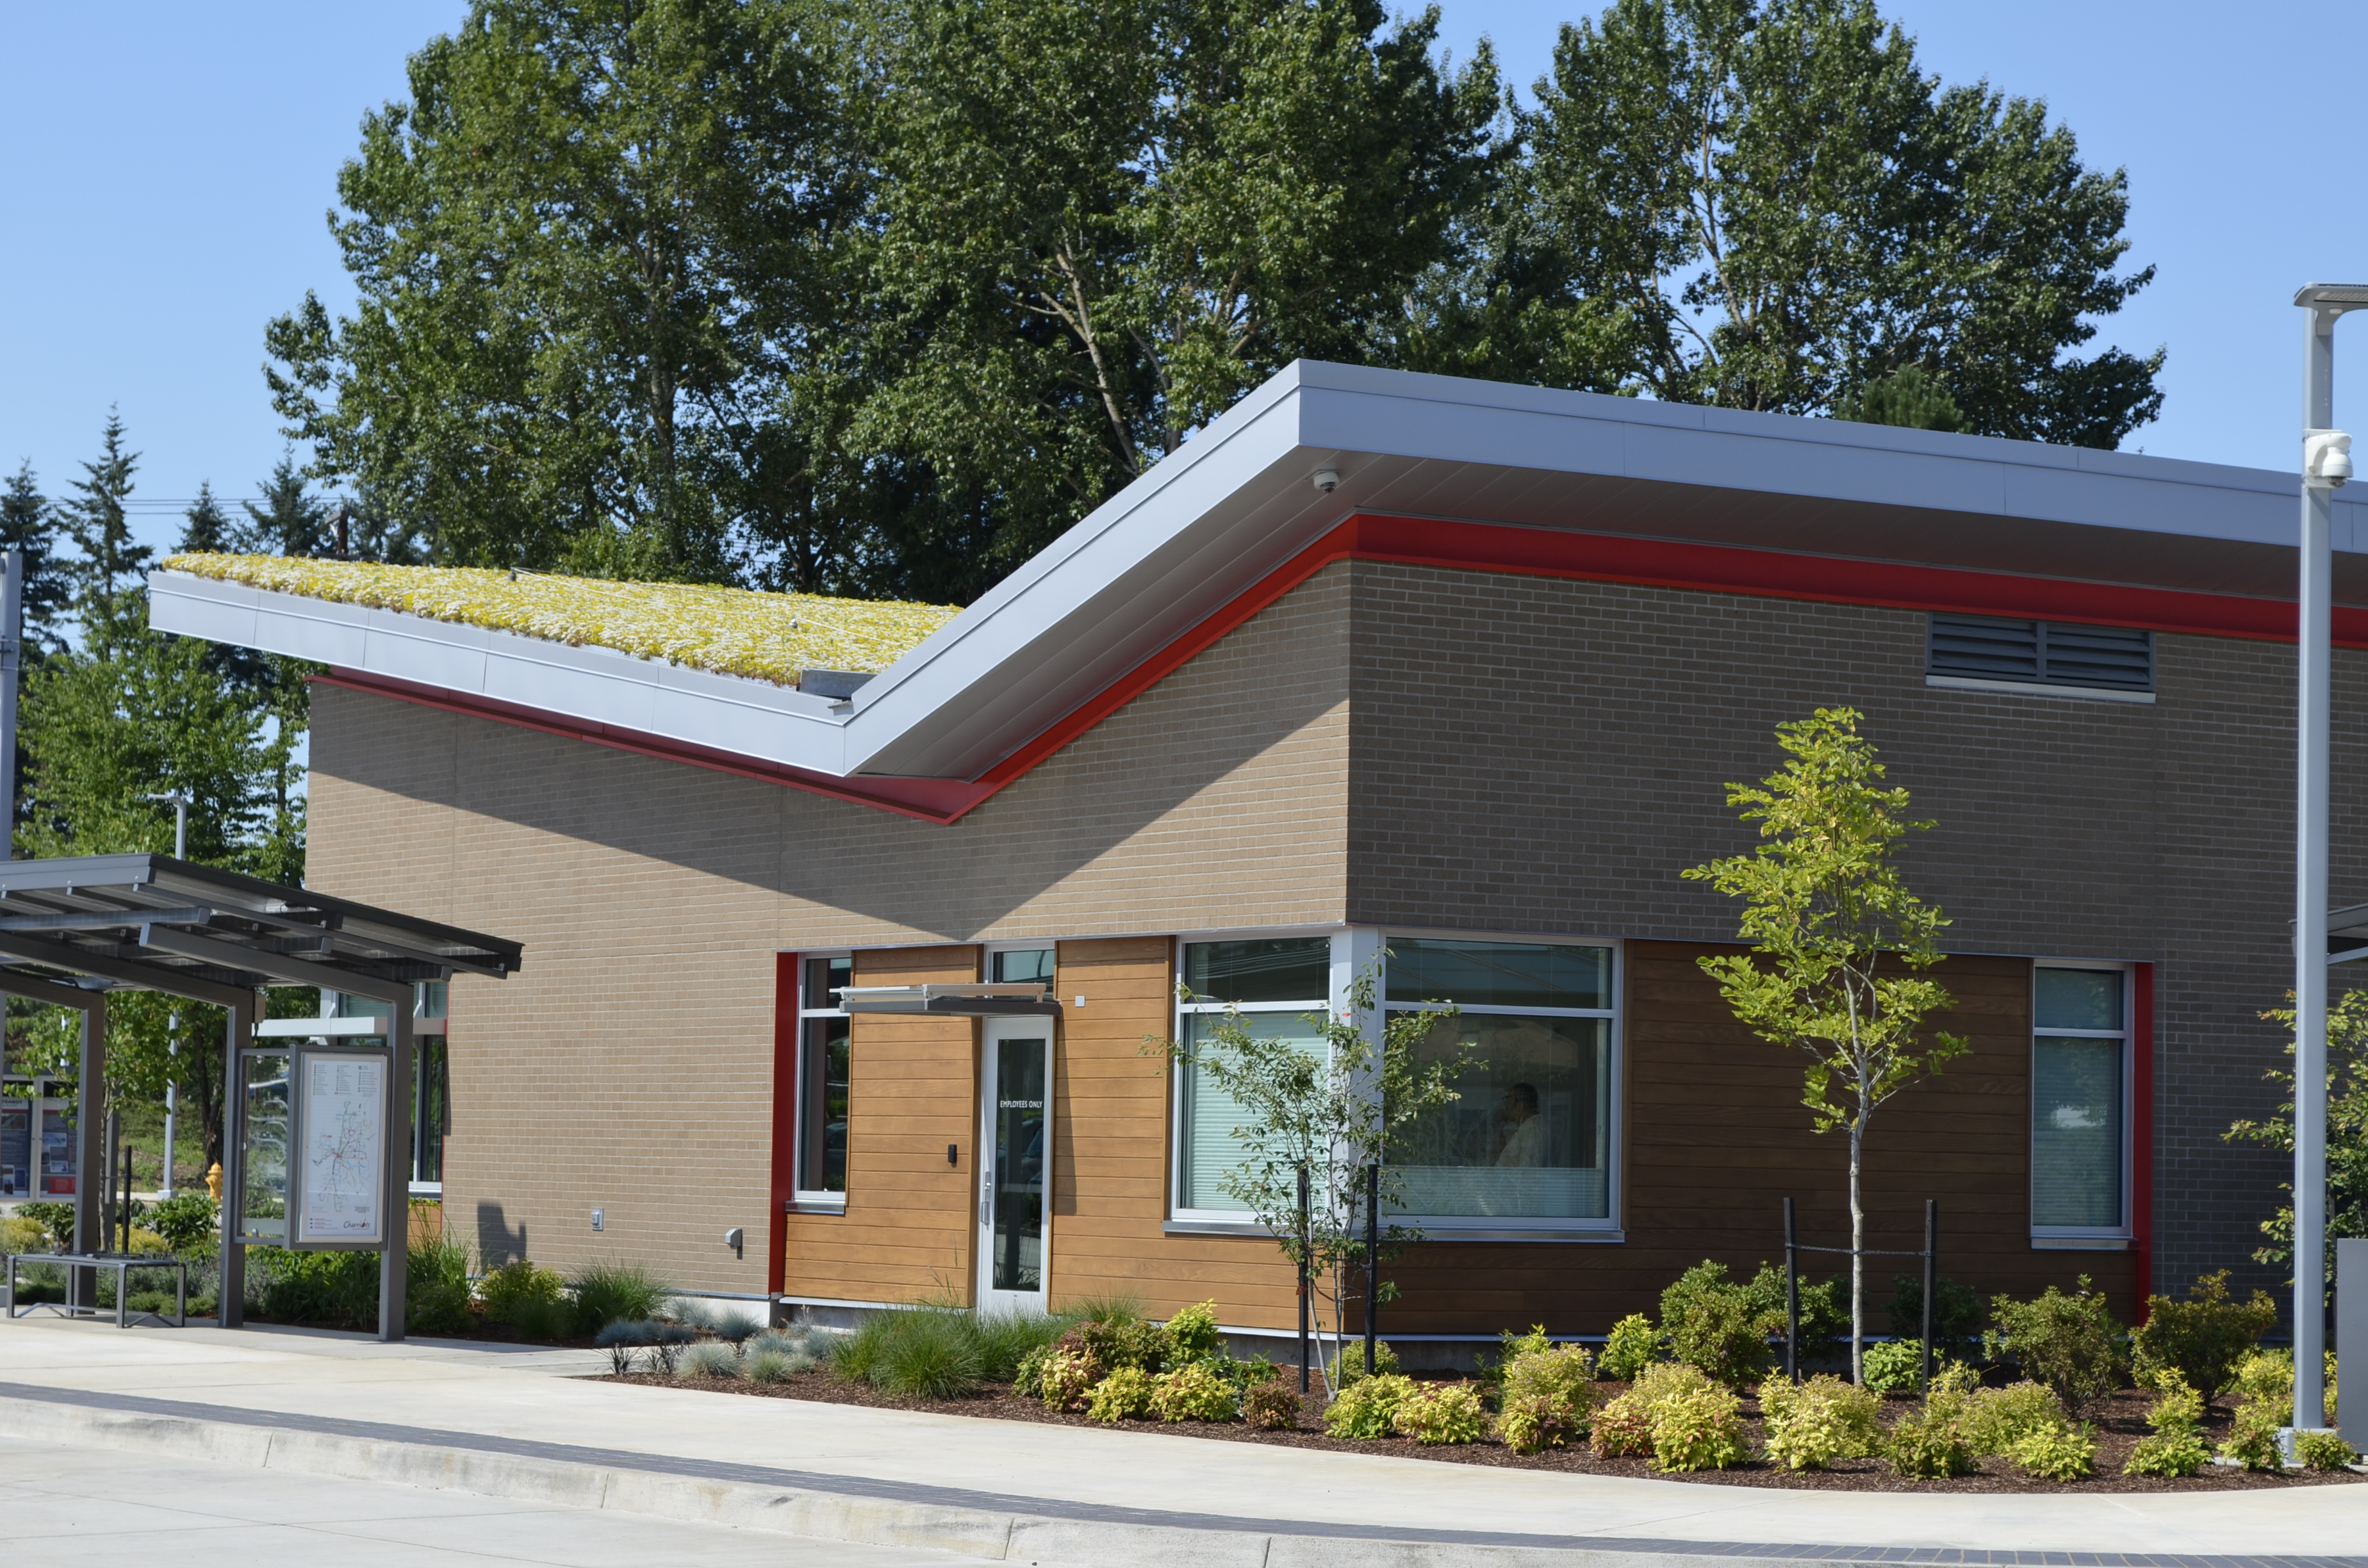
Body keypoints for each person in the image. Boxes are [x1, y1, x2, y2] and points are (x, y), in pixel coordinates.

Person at [1495, 1082, 1545, 1167]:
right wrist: (1498, 1129)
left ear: (1521, 1103)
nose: (1506, 1104)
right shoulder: (1527, 1128)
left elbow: (1529, 1170)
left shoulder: (1532, 1130)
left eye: (1508, 1098)